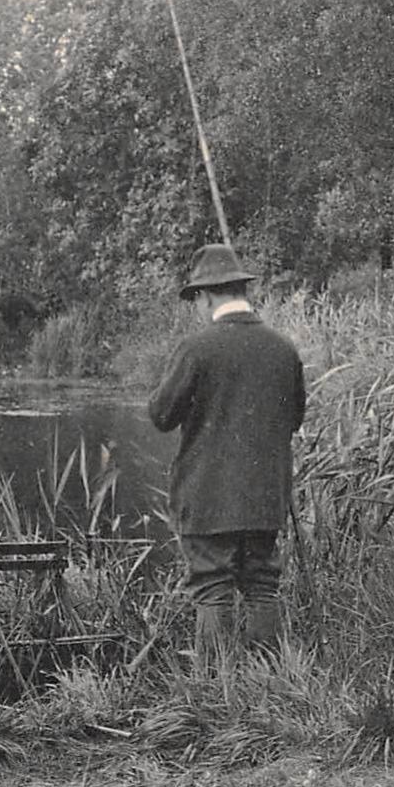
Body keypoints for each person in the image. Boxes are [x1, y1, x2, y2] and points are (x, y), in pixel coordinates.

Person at [148, 244, 307, 665]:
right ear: (240, 289)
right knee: (261, 586)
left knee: (212, 587)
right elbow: (294, 419)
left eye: (196, 300)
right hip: (265, 497)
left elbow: (161, 415)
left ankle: (215, 693)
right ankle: (269, 685)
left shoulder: (197, 348)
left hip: (208, 497)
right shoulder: (283, 349)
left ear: (206, 295)